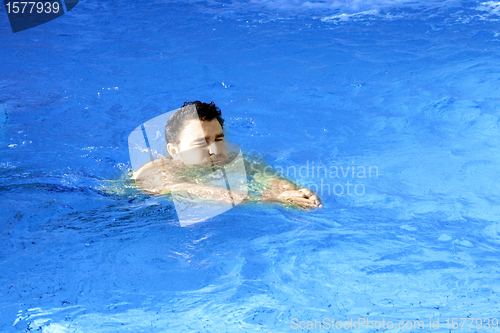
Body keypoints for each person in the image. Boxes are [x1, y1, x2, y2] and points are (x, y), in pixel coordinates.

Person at [132, 101, 322, 209]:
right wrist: (265, 200)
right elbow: (183, 189)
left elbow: (265, 175)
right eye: (201, 143)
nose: (215, 150)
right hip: (134, 209)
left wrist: (292, 191)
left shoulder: (230, 158)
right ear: (174, 151)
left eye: (219, 139)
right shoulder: (160, 170)